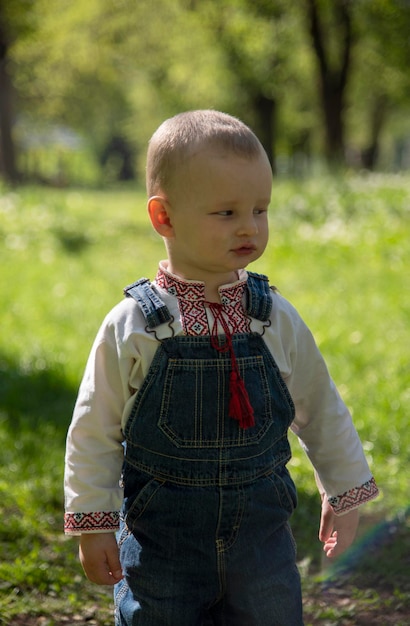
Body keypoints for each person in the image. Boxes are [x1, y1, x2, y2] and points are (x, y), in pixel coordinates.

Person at [64, 110, 378, 625]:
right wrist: (92, 522)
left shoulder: (273, 315)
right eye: (226, 213)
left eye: (260, 209)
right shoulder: (135, 325)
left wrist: (344, 491)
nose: (250, 227)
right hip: (162, 544)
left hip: (262, 545)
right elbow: (93, 428)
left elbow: (321, 407)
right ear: (163, 217)